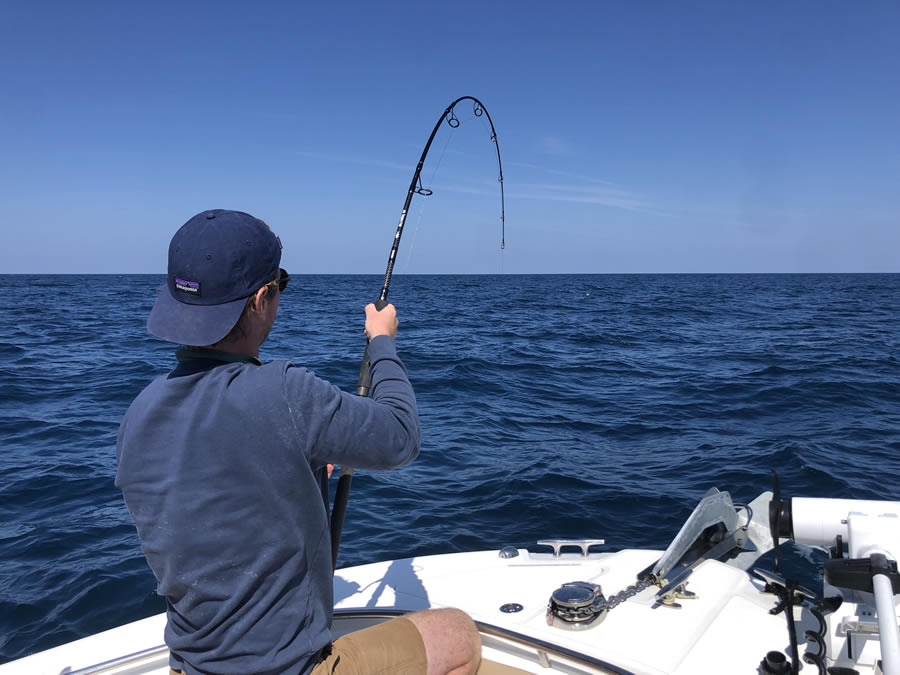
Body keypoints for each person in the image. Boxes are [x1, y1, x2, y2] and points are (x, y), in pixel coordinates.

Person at [116, 209, 481, 675]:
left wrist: (300, 468)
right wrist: (382, 342)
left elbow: (212, 500)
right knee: (457, 634)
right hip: (289, 670)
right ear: (262, 298)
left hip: (189, 666)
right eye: (279, 285)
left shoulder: (138, 414)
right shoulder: (285, 392)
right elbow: (400, 436)